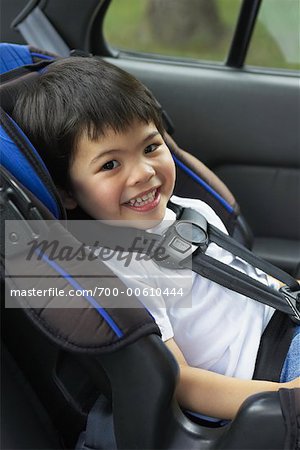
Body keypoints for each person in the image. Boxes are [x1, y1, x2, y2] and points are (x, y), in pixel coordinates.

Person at [12, 56, 300, 421]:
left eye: (151, 147)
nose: (144, 173)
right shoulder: (118, 268)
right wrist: (285, 396)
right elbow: (180, 383)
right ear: (68, 192)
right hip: (263, 381)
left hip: (284, 330)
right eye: (110, 165)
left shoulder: (187, 210)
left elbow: (248, 283)